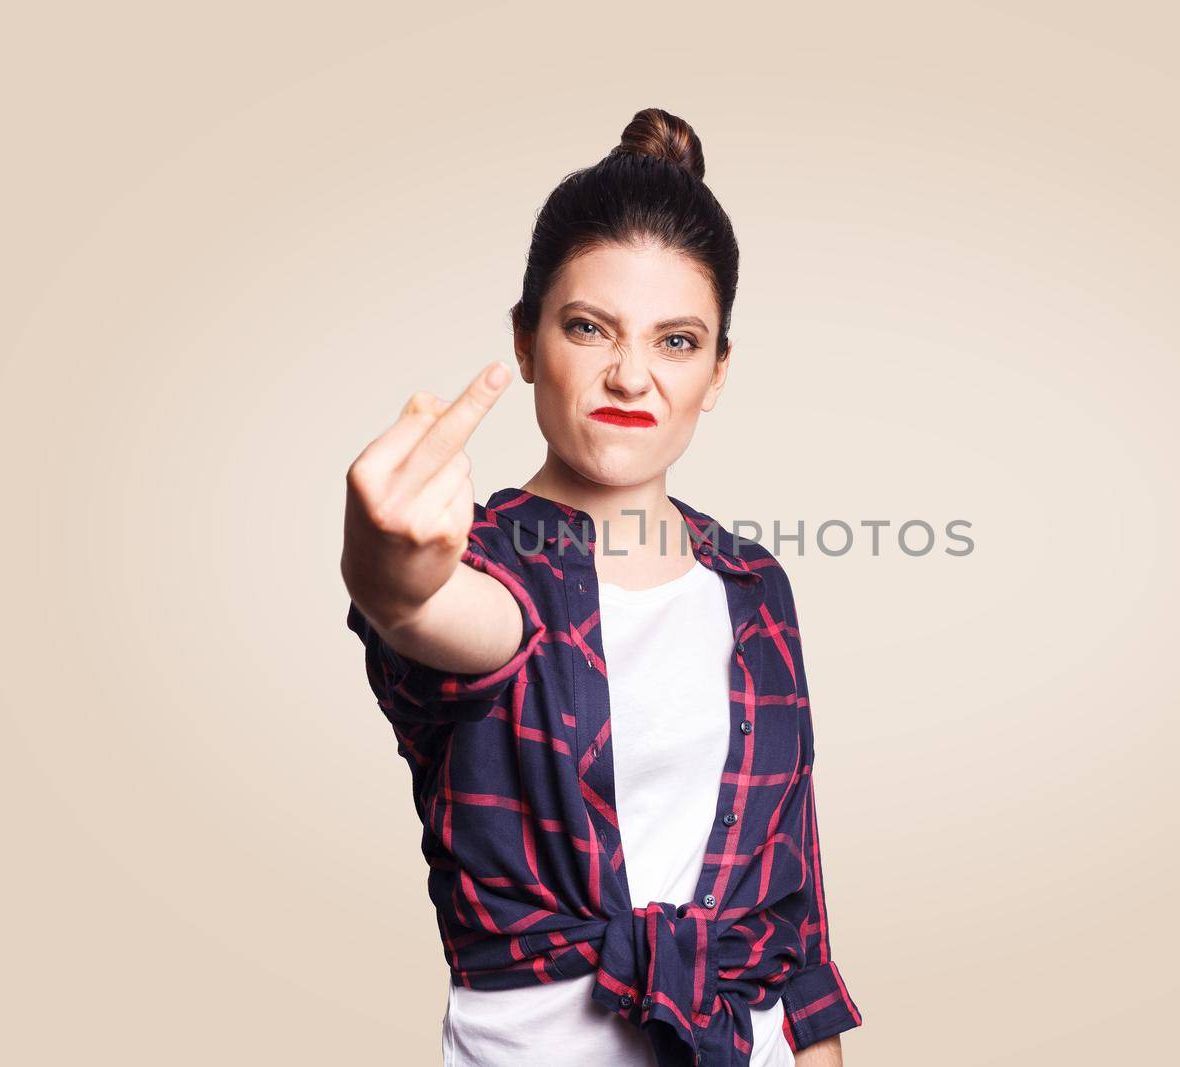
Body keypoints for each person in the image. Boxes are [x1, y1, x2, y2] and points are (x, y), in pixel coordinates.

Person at [341, 108, 861, 1067]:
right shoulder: (495, 563)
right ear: (528, 340)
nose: (631, 375)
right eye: (589, 328)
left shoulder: (755, 586)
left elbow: (793, 904)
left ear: (717, 373)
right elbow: (430, 613)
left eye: (676, 341)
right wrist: (389, 570)